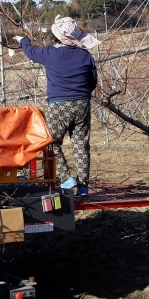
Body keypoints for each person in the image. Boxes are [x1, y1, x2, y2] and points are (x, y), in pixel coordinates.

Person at [12, 15, 99, 196]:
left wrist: (23, 40)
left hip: (59, 104)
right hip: (83, 103)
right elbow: (92, 82)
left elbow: (31, 52)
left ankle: (68, 180)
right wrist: (81, 93)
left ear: (58, 36)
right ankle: (83, 187)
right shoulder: (86, 56)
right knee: (81, 144)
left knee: (50, 142)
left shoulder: (50, 53)